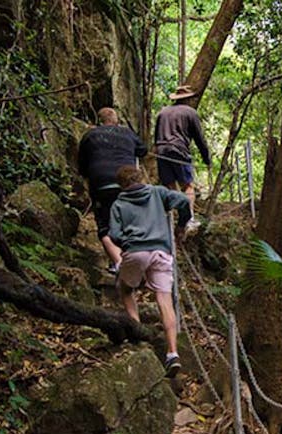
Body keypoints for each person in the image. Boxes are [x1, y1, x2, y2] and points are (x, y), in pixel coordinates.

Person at [109, 165, 191, 375]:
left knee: (125, 288)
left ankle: (136, 331)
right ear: (141, 177)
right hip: (161, 251)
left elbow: (114, 235)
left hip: (136, 252)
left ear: (122, 184)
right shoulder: (158, 192)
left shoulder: (118, 203)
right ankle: (172, 353)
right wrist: (182, 224)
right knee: (164, 299)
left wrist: (129, 240)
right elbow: (183, 201)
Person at [78, 107, 147, 273]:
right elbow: (143, 150)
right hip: (127, 183)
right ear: (116, 120)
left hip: (101, 183)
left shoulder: (89, 136)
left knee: (105, 224)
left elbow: (81, 165)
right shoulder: (127, 133)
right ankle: (131, 261)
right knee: (128, 222)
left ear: (98, 121)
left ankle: (118, 262)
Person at [154, 84, 211, 223]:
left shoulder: (163, 112)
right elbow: (199, 138)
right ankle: (188, 219)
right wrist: (206, 158)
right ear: (188, 99)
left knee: (170, 185)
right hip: (179, 150)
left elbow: (156, 136)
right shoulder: (190, 112)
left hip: (161, 151)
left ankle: (170, 219)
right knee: (188, 186)